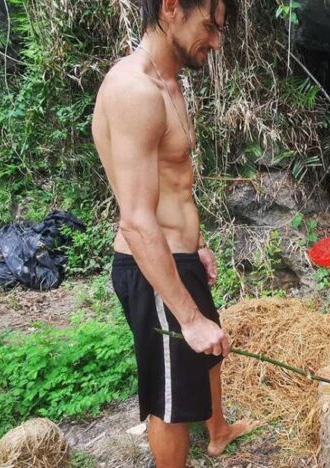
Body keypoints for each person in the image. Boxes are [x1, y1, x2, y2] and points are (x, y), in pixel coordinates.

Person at [91, 1, 257, 466]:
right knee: (170, 400)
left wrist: (196, 244)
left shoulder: (169, 83)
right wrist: (187, 316)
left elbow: (169, 183)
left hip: (179, 255)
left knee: (210, 348)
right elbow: (136, 219)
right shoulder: (134, 90)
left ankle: (218, 432)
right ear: (170, 8)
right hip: (153, 265)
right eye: (209, 26)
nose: (216, 42)